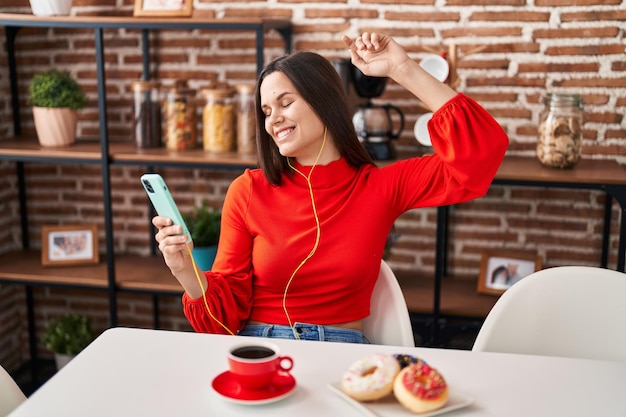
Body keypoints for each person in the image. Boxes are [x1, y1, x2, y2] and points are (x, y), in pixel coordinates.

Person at [152, 32, 509, 343]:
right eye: (265, 110)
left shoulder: (379, 186)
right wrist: (185, 269)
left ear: (323, 101)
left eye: (285, 102)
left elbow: (480, 155)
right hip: (260, 346)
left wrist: (403, 69)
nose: (273, 119)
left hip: (342, 353)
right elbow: (222, 322)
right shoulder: (248, 190)